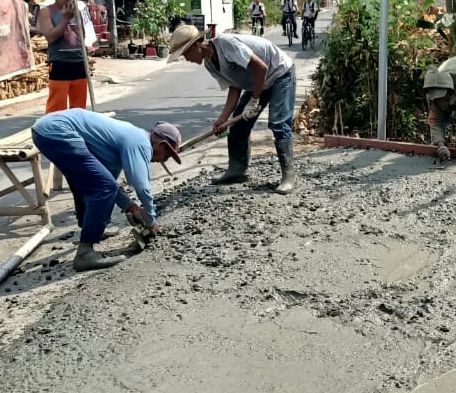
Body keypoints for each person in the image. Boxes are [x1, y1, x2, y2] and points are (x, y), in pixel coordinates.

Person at [31, 110, 182, 271]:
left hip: (45, 130)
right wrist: (151, 220)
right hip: (58, 130)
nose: (161, 161)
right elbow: (141, 186)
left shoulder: (121, 143)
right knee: (104, 188)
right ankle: (85, 254)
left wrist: (131, 207)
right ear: (161, 145)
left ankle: (91, 229)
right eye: (165, 157)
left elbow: (111, 183)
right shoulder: (140, 143)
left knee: (87, 181)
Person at [165, 25, 299, 194]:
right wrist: (223, 119)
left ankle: (288, 175)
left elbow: (261, 67)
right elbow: (234, 86)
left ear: (196, 46)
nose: (187, 58)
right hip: (257, 81)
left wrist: (254, 100)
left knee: (278, 122)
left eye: (185, 54)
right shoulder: (210, 64)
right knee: (238, 125)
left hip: (279, 73)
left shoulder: (225, 44)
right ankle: (237, 170)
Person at [37, 0, 92, 113]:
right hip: (60, 62)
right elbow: (50, 37)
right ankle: (54, 132)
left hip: (79, 62)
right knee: (57, 107)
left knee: (79, 108)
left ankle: (76, 130)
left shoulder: (76, 12)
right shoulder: (46, 12)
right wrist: (65, 19)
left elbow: (82, 36)